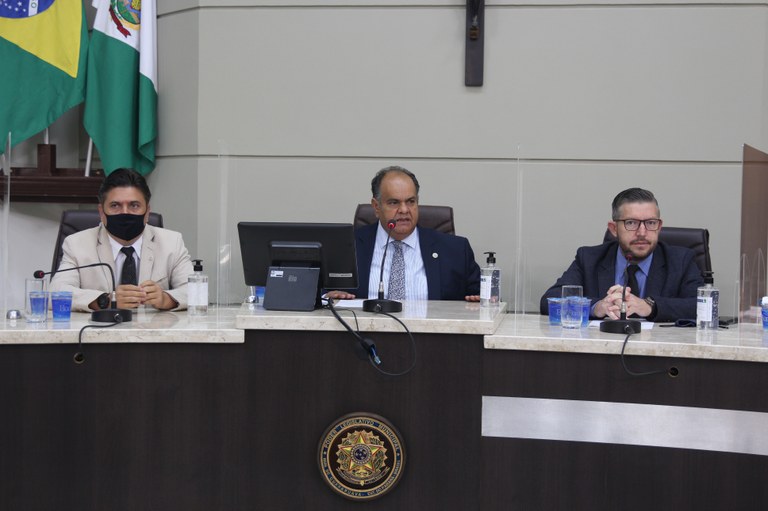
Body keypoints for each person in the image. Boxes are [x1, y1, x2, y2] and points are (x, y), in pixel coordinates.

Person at [539, 187, 704, 322]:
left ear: (659, 227)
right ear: (613, 229)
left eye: (650, 223)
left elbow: (702, 306)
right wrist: (596, 307)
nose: (642, 232)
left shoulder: (681, 260)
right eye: (631, 223)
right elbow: (549, 301)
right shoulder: (589, 258)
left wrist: (650, 306)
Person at [327, 166, 481, 301]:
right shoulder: (346, 248)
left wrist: (484, 299)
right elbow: (320, 293)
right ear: (376, 207)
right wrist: (326, 297)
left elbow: (482, 296)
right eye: (394, 202)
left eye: (410, 201)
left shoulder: (455, 250)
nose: (404, 210)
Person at [50, 169, 195, 312]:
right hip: (98, 326)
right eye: (115, 206)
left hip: (154, 326)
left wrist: (165, 299)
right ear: (101, 212)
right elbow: (54, 293)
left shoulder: (172, 242)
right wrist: (106, 301)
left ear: (147, 212)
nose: (125, 212)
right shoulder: (76, 244)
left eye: (134, 205)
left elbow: (196, 291)